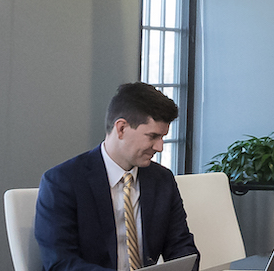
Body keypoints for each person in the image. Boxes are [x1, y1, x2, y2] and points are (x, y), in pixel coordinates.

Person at [36, 83, 200, 271]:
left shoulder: (162, 180)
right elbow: (60, 263)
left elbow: (181, 247)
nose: (160, 147)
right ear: (121, 128)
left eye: (162, 137)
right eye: (152, 136)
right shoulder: (62, 182)